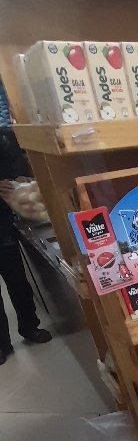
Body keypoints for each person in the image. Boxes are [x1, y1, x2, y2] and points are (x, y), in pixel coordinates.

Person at [0, 130, 52, 365]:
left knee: (17, 280)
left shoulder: (4, 136)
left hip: (3, 223)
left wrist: (19, 176)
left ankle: (30, 327)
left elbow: (14, 156)